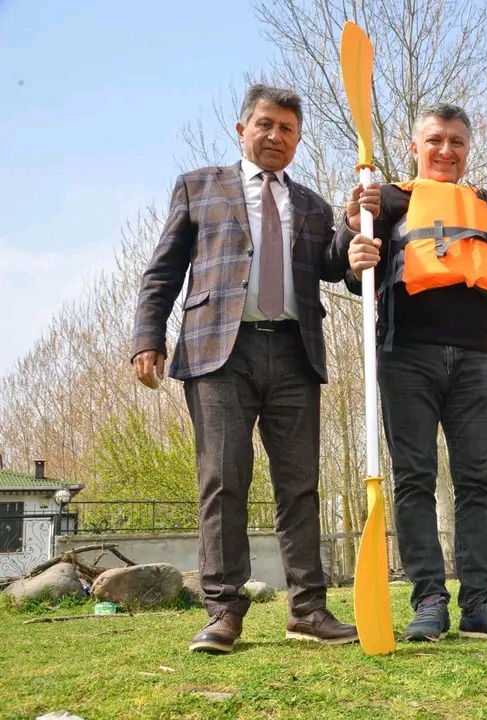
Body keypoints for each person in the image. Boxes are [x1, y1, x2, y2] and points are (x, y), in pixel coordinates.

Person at [132, 84, 381, 653]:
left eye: (288, 129)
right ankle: (223, 612)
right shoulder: (200, 188)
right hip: (219, 354)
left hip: (295, 353)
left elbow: (334, 269)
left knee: (301, 487)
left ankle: (308, 609)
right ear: (242, 129)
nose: (276, 137)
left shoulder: (314, 205)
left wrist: (354, 237)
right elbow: (162, 271)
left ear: (297, 140)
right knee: (223, 481)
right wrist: (148, 336)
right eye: (265, 125)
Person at [344, 103, 487, 642]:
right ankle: (429, 599)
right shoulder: (386, 200)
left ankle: (481, 604)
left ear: (468, 148)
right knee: (415, 481)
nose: (446, 150)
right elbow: (344, 258)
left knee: (478, 484)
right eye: (435, 140)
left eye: (456, 141)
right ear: (414, 146)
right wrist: (350, 220)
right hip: (406, 356)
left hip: (475, 360)